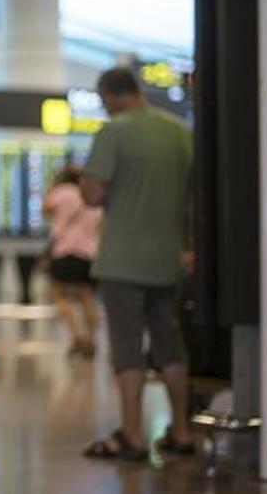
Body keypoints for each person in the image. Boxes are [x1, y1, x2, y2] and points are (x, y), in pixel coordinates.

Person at [80, 67, 195, 461]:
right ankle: (182, 430)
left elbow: (92, 195)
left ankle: (132, 433)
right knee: (171, 344)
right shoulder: (181, 132)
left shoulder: (114, 131)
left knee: (127, 349)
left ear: (110, 97)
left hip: (123, 260)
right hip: (168, 257)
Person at [41, 165, 102, 358]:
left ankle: (75, 337)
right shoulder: (93, 198)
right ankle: (91, 340)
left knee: (58, 295)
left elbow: (46, 209)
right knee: (87, 298)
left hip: (64, 252)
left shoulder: (61, 192)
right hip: (89, 255)